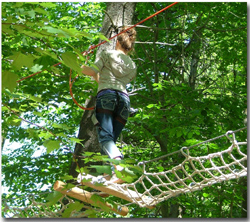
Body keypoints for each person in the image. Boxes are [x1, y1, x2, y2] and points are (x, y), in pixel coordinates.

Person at [81, 26, 137, 183]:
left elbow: (90, 71)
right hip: (124, 102)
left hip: (107, 98)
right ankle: (107, 176)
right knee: (108, 139)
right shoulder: (132, 65)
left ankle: (119, 167)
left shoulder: (107, 54)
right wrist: (98, 77)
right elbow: (106, 80)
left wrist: (80, 62)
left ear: (117, 41)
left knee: (105, 137)